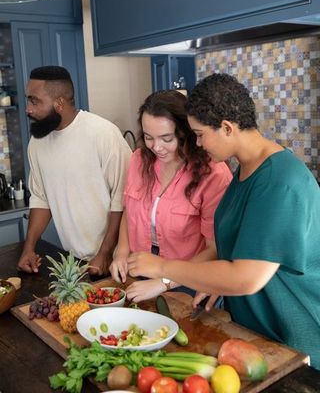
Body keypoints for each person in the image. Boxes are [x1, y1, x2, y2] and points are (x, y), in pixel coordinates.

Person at [127, 73, 320, 369]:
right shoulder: (245, 171)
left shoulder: (281, 182)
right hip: (260, 334)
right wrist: (210, 279)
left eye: (201, 134)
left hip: (297, 338)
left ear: (227, 128)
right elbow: (231, 246)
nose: (198, 143)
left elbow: (246, 276)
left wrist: (163, 269)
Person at [110, 89, 232, 301]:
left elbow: (214, 249)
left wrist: (164, 282)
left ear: (187, 133)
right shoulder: (139, 159)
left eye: (167, 138)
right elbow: (130, 209)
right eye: (148, 137)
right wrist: (121, 253)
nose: (156, 147)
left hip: (189, 282)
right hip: (139, 273)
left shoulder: (213, 173)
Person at [17, 66, 132, 276]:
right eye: (28, 100)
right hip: (77, 260)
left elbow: (122, 199)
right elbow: (41, 199)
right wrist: (29, 247)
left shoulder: (103, 134)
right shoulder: (37, 143)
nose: (28, 109)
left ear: (59, 103)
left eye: (35, 101)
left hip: (118, 260)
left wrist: (105, 253)